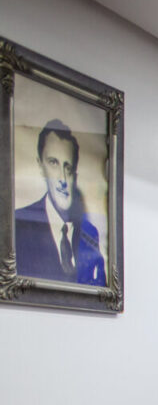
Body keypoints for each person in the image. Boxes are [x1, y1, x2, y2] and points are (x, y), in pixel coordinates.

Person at [13, 119, 107, 286]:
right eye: (53, 163)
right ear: (40, 166)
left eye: (68, 167)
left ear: (74, 175)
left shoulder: (89, 234)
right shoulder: (18, 225)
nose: (62, 179)